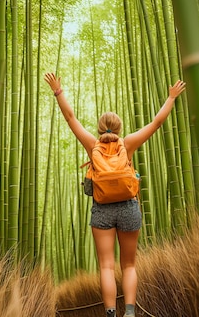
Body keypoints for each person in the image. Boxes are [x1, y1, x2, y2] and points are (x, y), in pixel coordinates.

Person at [44, 72, 186, 317]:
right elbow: (156, 123)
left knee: (106, 267)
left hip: (102, 210)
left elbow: (70, 118)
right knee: (129, 264)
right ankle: (129, 312)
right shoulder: (128, 143)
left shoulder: (92, 145)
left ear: (100, 128)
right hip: (129, 207)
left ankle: (111, 313)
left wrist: (58, 91)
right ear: (119, 128)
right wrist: (171, 97)